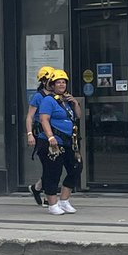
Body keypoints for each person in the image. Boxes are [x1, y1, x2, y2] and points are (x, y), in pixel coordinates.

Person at [38, 69, 82, 215]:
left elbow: (78, 116)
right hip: (53, 142)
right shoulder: (48, 100)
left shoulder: (66, 102)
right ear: (52, 84)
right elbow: (44, 119)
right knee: (53, 172)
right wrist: (51, 137)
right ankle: (52, 203)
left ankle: (64, 200)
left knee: (76, 168)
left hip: (69, 141)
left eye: (64, 82)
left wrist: (75, 103)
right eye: (58, 82)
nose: (62, 84)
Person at [26, 65, 56, 207]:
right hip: (42, 135)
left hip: (55, 133)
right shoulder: (38, 97)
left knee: (53, 165)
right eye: (51, 80)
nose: (53, 83)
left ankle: (37, 188)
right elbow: (30, 117)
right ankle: (47, 195)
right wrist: (30, 134)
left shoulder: (57, 95)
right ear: (44, 81)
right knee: (48, 166)